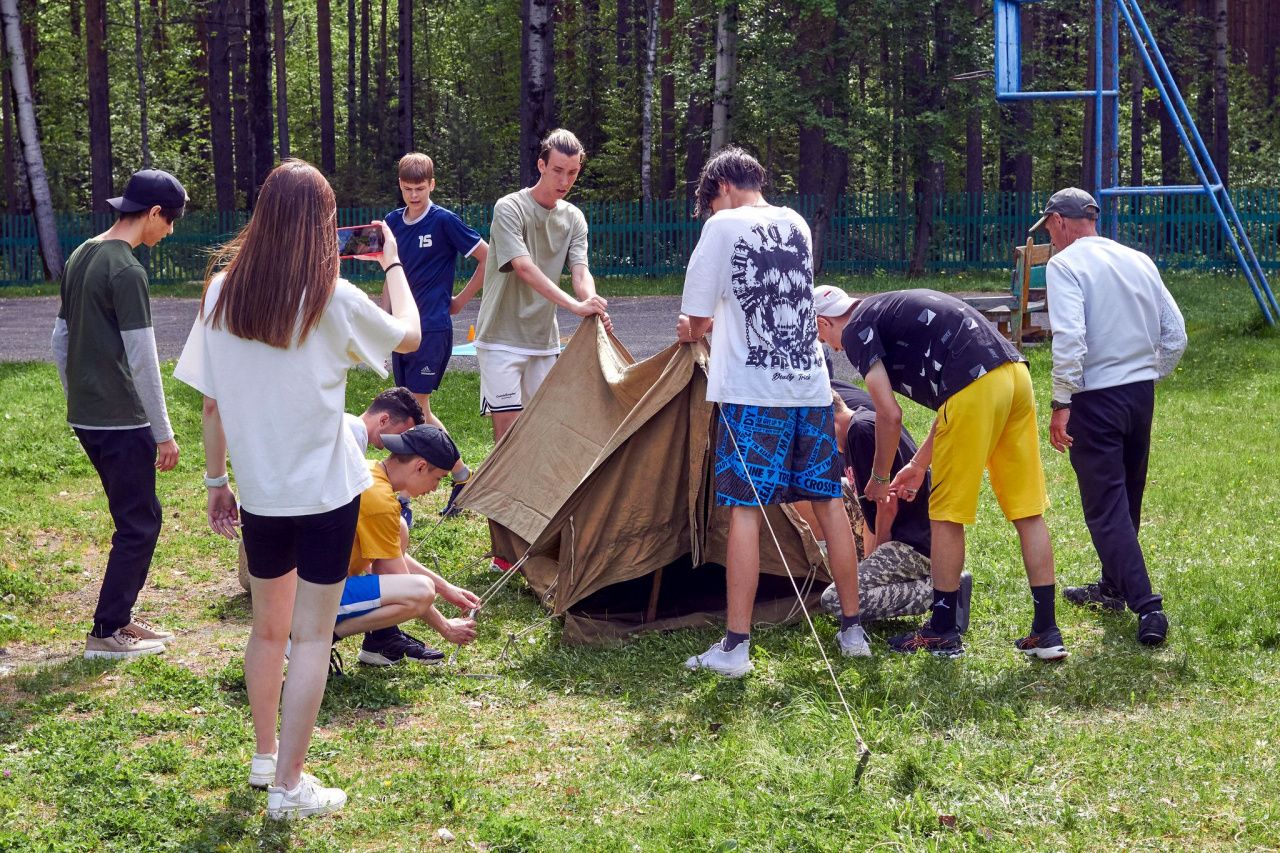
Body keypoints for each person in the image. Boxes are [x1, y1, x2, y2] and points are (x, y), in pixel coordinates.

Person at [175, 160, 422, 821]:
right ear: (323, 225)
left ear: (261, 215)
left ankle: (264, 759)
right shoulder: (332, 295)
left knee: (267, 630)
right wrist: (393, 263)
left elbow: (211, 405)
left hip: (260, 494)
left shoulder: (222, 292)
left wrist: (215, 482)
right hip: (324, 496)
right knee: (310, 639)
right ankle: (289, 786)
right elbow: (411, 336)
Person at [676, 145, 869, 679]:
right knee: (829, 502)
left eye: (710, 205)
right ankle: (853, 631)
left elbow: (694, 317)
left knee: (744, 511)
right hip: (809, 386)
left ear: (721, 190)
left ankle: (736, 647)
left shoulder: (722, 226)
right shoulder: (796, 223)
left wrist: (692, 330)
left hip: (752, 391)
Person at [817, 285, 1064, 661]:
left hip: (973, 385)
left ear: (824, 322)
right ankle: (1046, 631)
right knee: (1028, 511)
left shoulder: (856, 329)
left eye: (824, 337)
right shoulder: (887, 308)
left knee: (946, 515)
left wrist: (879, 479)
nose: (835, 349)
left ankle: (943, 631)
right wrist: (917, 464)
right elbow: (955, 399)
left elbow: (890, 414)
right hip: (1013, 374)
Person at [1032, 188, 1187, 647]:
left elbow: (1071, 338)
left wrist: (1062, 402)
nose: (1051, 239)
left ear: (1059, 221)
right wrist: (1144, 375)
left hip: (1095, 399)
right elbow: (1175, 335)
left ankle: (1147, 605)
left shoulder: (1064, 265)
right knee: (1128, 495)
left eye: (1050, 230)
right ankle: (1114, 586)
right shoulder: (1139, 259)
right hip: (1140, 395)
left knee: (1105, 508)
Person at [52, 168, 189, 660]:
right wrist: (164, 433)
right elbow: (143, 359)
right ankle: (107, 630)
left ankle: (121, 618)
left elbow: (58, 340)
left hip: (88, 417)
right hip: (122, 421)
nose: (168, 232)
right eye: (169, 222)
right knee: (139, 523)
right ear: (153, 213)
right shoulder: (126, 269)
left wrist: (81, 399)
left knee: (134, 518)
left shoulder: (82, 253)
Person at [474, 129, 611, 442]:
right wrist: (574, 306)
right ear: (541, 166)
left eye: (573, 173)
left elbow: (580, 272)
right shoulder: (509, 207)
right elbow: (524, 267)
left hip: (542, 341)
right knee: (508, 440)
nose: (564, 181)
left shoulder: (575, 218)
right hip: (500, 337)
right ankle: (505, 492)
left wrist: (591, 304)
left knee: (546, 434)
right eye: (558, 171)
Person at [817, 394, 974, 630]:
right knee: (837, 487)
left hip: (913, 545)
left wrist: (875, 554)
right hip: (903, 530)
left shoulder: (860, 433)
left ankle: (943, 590)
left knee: (836, 599)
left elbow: (887, 502)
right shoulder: (857, 426)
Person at [334, 425, 482, 672]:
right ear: (421, 466)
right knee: (421, 593)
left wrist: (445, 588)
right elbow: (398, 577)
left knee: (400, 528)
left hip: (310, 582)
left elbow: (390, 555)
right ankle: (322, 635)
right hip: (313, 597)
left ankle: (378, 640)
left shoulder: (371, 470)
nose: (435, 489)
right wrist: (445, 627)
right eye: (438, 479)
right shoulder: (380, 500)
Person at [385, 153, 486, 514]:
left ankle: (417, 490)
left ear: (432, 184)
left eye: (420, 189)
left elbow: (488, 258)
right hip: (401, 329)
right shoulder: (391, 223)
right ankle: (453, 476)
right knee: (409, 410)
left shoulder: (444, 221)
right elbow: (389, 271)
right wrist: (385, 320)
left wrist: (459, 300)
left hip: (433, 328)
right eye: (408, 189)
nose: (414, 195)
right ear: (400, 186)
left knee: (417, 408)